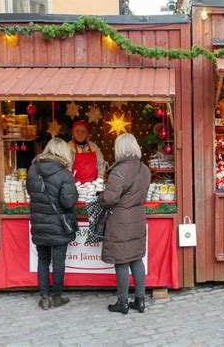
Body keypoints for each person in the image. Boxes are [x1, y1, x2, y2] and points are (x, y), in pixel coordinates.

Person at [98, 133, 151, 314]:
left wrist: (100, 197)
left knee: (121, 261)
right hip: (137, 218)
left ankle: (122, 302)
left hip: (120, 220)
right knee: (136, 259)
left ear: (119, 149)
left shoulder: (118, 171)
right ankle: (140, 300)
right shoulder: (144, 169)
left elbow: (111, 198)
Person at [26, 138, 79, 310]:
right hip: (58, 225)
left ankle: (44, 297)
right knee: (58, 261)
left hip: (39, 223)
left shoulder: (33, 169)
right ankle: (56, 296)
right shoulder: (65, 174)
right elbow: (68, 203)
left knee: (42, 259)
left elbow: (32, 193)